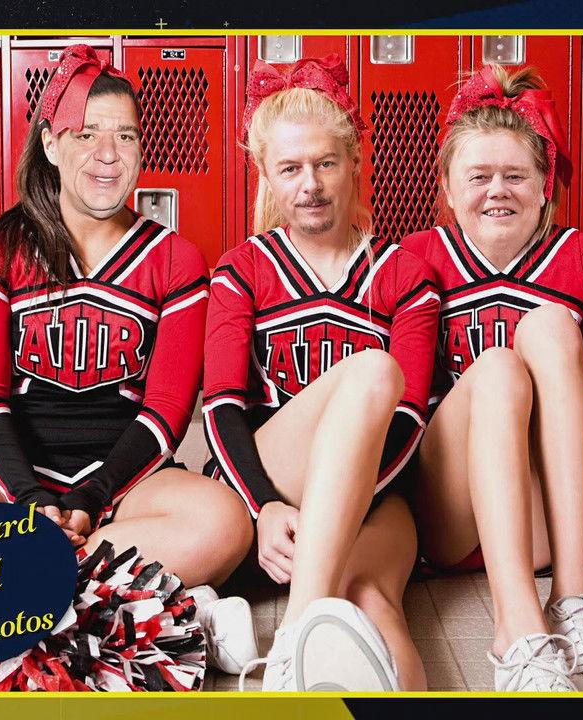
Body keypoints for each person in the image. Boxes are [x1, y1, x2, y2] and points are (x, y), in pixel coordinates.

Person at [0, 45, 256, 677]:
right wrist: (27, 500)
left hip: (123, 484)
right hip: (14, 479)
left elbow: (166, 411)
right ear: (49, 144)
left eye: (125, 136)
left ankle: (39, 588)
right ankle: (166, 605)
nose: (107, 154)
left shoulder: (175, 259)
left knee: (227, 523)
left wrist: (94, 498)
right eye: (87, 134)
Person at [201, 55, 440, 692]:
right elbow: (221, 408)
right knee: (371, 372)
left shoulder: (404, 274)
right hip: (274, 480)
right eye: (290, 168)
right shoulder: (242, 268)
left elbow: (412, 418)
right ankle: (292, 651)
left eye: (325, 163)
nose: (310, 184)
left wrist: (351, 499)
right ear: (266, 178)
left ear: (354, 164)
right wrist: (262, 504)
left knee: (375, 602)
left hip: (379, 487)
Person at [401, 65, 583, 692]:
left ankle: (575, 603)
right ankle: (517, 630)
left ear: (545, 187)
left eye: (516, 175)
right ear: (447, 188)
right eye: (478, 177)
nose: (496, 191)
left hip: (545, 527)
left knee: (553, 326)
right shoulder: (417, 258)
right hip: (450, 517)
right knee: (499, 368)